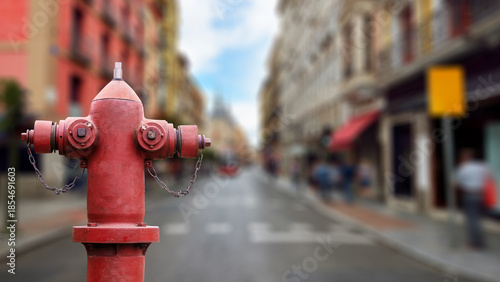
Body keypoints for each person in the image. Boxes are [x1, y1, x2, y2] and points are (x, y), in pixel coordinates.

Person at [455, 149, 490, 249]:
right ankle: (480, 240)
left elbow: (456, 183)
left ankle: (475, 242)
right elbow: (488, 178)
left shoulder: (463, 168)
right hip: (481, 195)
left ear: (464, 158)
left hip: (469, 195)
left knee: (471, 220)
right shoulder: (483, 166)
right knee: (478, 219)